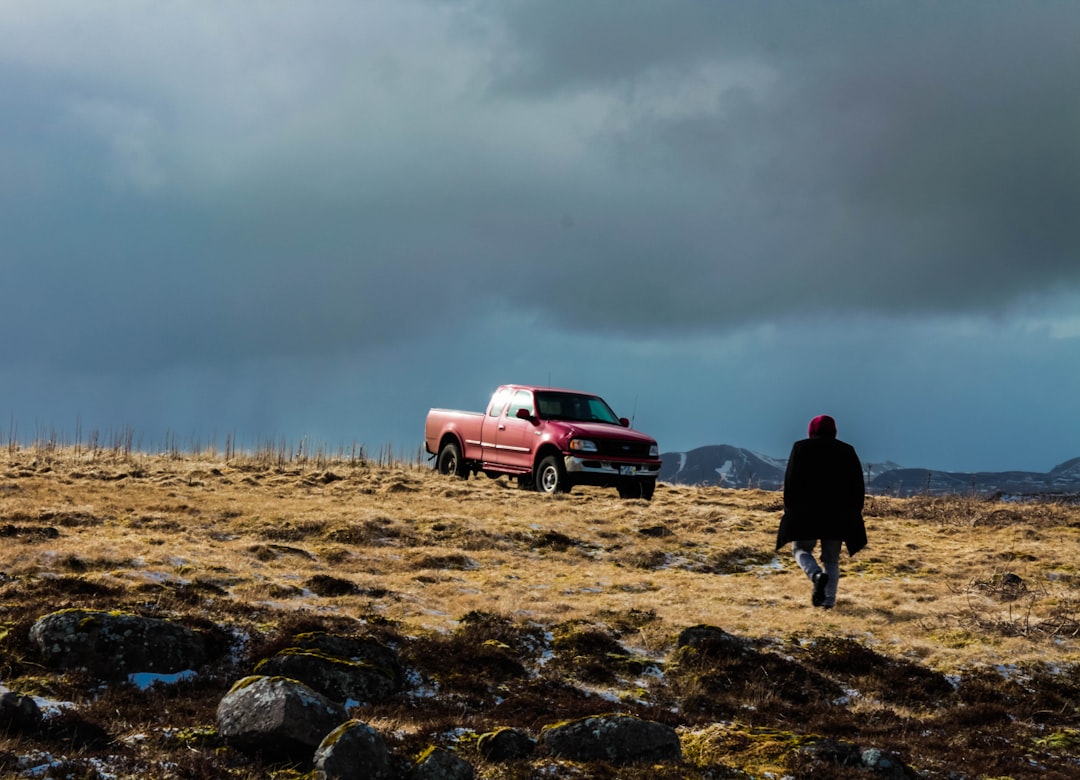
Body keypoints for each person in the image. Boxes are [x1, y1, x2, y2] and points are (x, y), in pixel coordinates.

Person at [775, 414, 867, 609]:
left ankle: (816, 575)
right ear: (834, 431)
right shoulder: (847, 451)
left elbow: (791, 481)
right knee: (831, 559)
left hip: (805, 514)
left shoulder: (801, 448)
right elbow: (857, 486)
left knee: (800, 549)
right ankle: (828, 603)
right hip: (838, 516)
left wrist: (789, 510)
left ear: (812, 431)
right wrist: (854, 513)